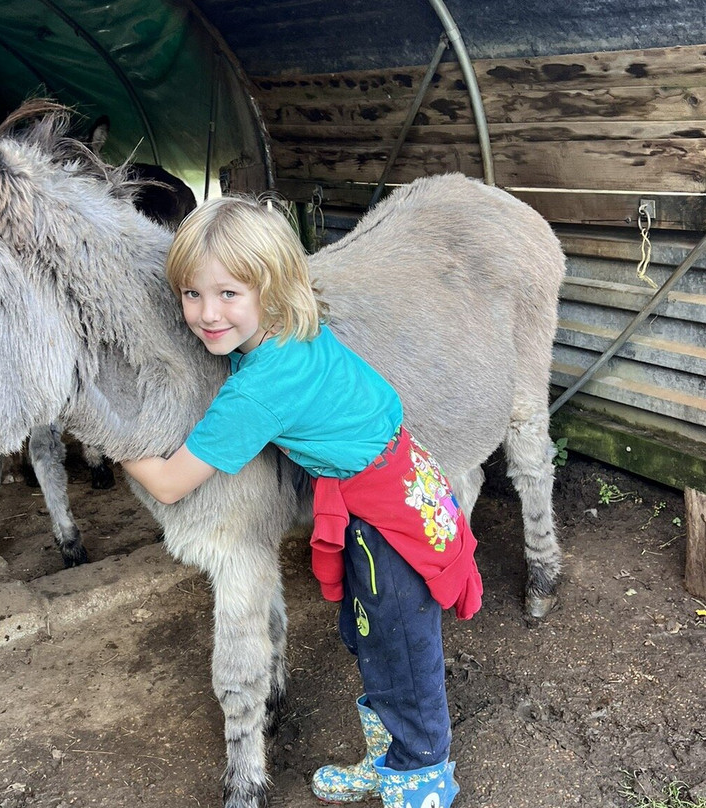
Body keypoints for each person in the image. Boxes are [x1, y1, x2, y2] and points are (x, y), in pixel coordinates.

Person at [120, 195, 483, 808]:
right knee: (373, 636)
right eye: (190, 294)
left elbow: (169, 483)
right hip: (400, 478)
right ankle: (390, 756)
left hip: (384, 516)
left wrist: (116, 437)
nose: (206, 314)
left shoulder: (261, 389)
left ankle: (421, 779)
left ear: (273, 285)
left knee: (399, 647)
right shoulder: (291, 328)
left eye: (228, 294)